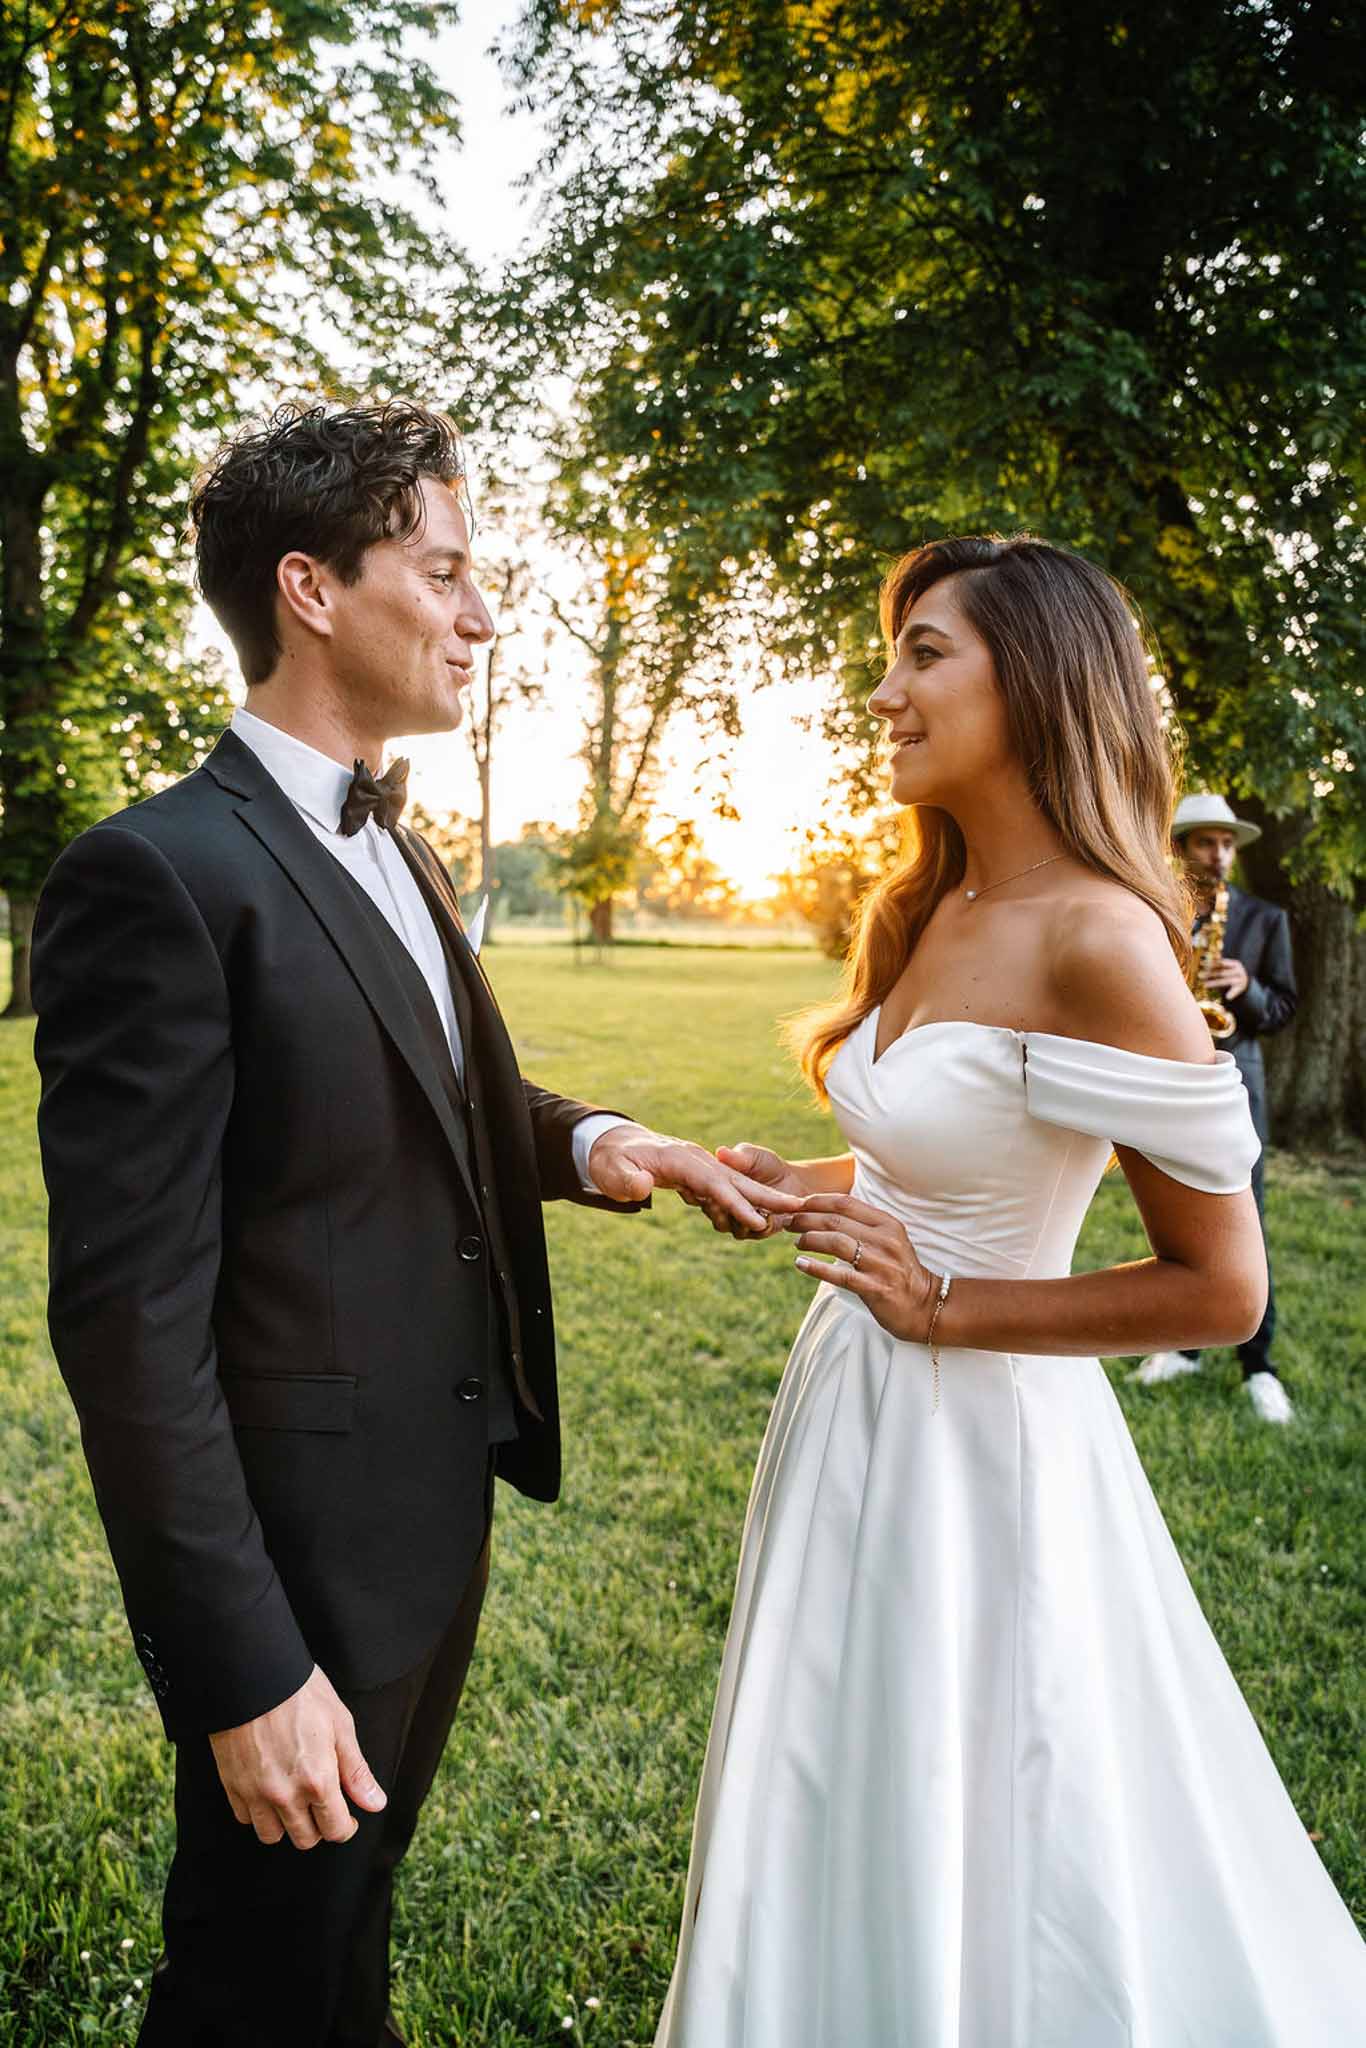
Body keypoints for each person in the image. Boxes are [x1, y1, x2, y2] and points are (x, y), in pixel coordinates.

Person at [31, 399, 800, 2048]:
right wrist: (242, 1669)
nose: (482, 612)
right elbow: (125, 1322)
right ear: (311, 589)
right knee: (252, 1981)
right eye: (444, 572)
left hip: (431, 1509)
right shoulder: (157, 876)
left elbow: (427, 1092)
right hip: (294, 1557)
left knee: (337, 1951)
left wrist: (615, 1141)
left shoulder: (410, 847)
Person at [654, 536, 1366, 2046]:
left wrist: (943, 1311)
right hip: (846, 1411)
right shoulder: (933, 906)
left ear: (1034, 678)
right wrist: (809, 1184)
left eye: (925, 653)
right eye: (891, 653)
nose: (884, 688)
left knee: (980, 1801)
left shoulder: (1103, 937)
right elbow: (934, 1169)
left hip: (977, 1445)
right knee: (831, 1776)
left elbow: (1218, 1287)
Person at [1136, 792, 1297, 1422]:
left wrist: (1247, 988)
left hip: (1238, 1078)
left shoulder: (1263, 919)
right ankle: (1185, 1348)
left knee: (1243, 1219)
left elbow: (1284, 1008)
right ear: (1182, 847)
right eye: (1208, 842)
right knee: (1175, 1219)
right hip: (1171, 1078)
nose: (1221, 853)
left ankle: (1259, 1366)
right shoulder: (1157, 914)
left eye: (1228, 843)